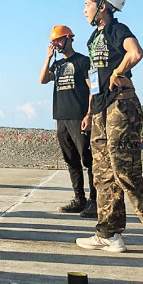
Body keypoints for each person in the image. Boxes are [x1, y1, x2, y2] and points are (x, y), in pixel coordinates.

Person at [75, 0, 143, 257]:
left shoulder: (118, 30)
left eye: (88, 3)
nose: (84, 9)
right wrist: (89, 112)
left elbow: (136, 52)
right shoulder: (92, 40)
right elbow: (92, 81)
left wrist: (119, 71)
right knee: (102, 175)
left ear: (103, 6)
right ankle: (109, 234)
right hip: (99, 110)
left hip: (121, 107)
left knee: (125, 173)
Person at [39, 25, 97, 218]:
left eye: (58, 40)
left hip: (79, 117)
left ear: (69, 39)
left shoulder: (82, 62)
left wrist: (89, 115)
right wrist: (48, 57)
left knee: (88, 160)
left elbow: (92, 89)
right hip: (61, 117)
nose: (55, 44)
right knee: (71, 161)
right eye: (53, 41)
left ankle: (94, 201)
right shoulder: (57, 65)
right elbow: (42, 80)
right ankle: (79, 199)